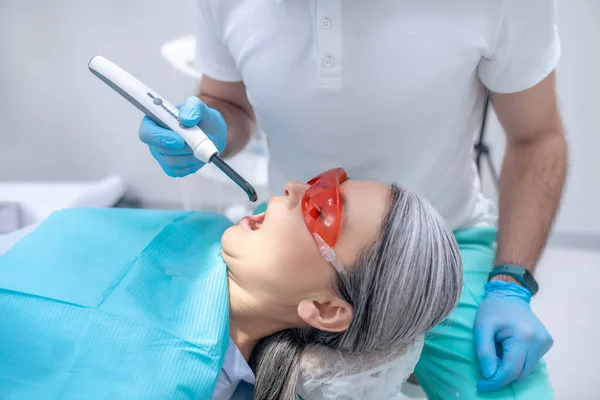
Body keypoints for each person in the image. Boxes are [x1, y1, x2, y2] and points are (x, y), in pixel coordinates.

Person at [138, 1, 567, 398]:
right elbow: (229, 102)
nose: (294, 186)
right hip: (293, 249)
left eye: (325, 205)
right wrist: (210, 128)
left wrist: (511, 283)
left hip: (448, 252)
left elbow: (537, 140)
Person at [0, 169, 463, 400]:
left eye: (322, 209)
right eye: (323, 181)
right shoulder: (198, 231)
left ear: (323, 308)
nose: (294, 187)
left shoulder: (181, 381)